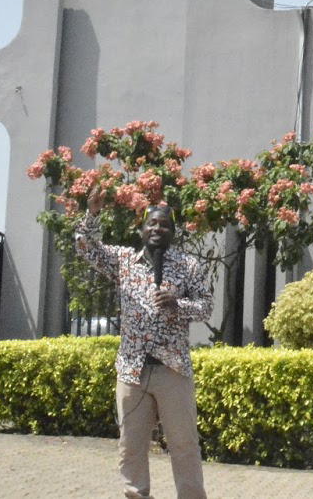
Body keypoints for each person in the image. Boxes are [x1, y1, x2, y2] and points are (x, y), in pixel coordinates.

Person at [76, 192, 212, 499]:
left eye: (164, 225)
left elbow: (205, 307)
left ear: (173, 232)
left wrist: (178, 304)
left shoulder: (189, 266)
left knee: (183, 444)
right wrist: (92, 215)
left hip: (172, 369)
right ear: (142, 229)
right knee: (132, 445)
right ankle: (135, 494)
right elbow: (86, 249)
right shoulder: (124, 261)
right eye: (151, 223)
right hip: (132, 371)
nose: (157, 229)